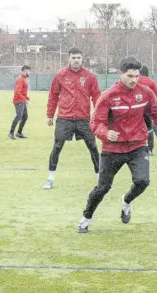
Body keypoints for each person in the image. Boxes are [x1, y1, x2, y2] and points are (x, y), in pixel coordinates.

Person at [77, 56, 157, 233]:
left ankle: (126, 201)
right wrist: (106, 133)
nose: (134, 80)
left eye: (136, 76)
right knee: (103, 188)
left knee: (142, 181)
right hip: (112, 149)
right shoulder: (108, 96)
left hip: (137, 146)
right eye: (130, 76)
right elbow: (95, 123)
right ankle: (86, 218)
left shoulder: (145, 92)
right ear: (120, 74)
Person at [43, 47, 101, 189]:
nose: (76, 60)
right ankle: (50, 179)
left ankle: (100, 178)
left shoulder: (89, 76)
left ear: (82, 59)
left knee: (93, 147)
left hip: (84, 119)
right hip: (65, 118)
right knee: (57, 146)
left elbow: (97, 96)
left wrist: (99, 115)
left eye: (78, 58)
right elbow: (53, 95)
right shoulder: (60, 75)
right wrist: (50, 115)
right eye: (73, 58)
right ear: (69, 58)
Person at [138, 65, 157, 155]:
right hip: (147, 107)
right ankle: (150, 149)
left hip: (135, 107)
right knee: (149, 127)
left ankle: (135, 148)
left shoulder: (134, 80)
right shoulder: (150, 82)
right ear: (148, 73)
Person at [9, 65, 31, 139]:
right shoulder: (20, 79)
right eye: (29, 71)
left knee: (25, 117)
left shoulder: (24, 79)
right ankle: (11, 133)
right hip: (18, 101)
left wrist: (26, 97)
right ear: (25, 71)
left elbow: (22, 91)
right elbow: (17, 92)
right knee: (19, 116)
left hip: (22, 100)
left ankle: (19, 133)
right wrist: (24, 99)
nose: (30, 73)